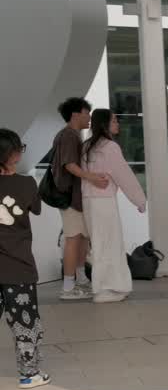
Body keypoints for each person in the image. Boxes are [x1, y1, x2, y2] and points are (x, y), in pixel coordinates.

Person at [0, 129, 49, 389]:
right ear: (14, 155)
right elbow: (37, 208)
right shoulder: (26, 184)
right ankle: (29, 374)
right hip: (18, 268)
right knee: (24, 322)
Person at [81, 109, 146, 303]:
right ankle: (107, 289)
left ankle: (106, 287)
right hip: (103, 202)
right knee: (110, 244)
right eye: (114, 120)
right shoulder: (109, 147)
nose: (118, 124)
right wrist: (139, 200)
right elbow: (124, 175)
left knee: (100, 244)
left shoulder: (86, 147)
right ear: (105, 124)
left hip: (88, 201)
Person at [50, 97, 108, 301]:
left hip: (76, 199)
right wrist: (93, 177)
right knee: (73, 239)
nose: (89, 117)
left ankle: (81, 280)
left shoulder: (73, 135)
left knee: (82, 238)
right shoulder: (68, 135)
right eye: (86, 113)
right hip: (69, 199)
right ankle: (67, 287)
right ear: (75, 114)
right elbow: (69, 165)